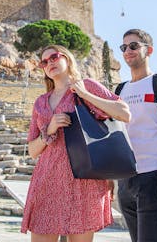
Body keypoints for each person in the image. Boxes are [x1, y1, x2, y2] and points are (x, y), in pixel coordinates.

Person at [20, 44, 131, 242]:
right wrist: (50, 129)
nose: (49, 63)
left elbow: (124, 113)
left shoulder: (87, 85)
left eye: (54, 57)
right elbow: (32, 151)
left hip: (84, 181)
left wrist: (85, 95)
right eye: (44, 62)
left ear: (67, 58)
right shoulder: (40, 102)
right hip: (47, 181)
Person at [115, 29, 157, 242]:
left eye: (134, 46)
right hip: (126, 179)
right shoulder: (119, 90)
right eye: (124, 47)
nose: (128, 51)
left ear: (149, 50)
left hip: (154, 176)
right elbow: (116, 135)